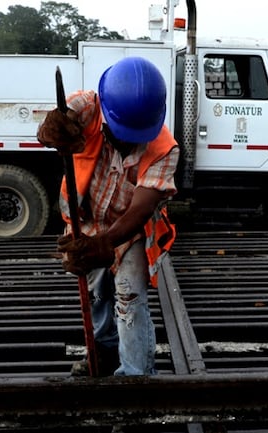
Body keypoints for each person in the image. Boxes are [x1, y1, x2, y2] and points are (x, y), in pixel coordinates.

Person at [36, 56, 179, 377]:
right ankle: (103, 354)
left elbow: (142, 208)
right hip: (86, 223)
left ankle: (135, 376)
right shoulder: (88, 107)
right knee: (97, 296)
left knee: (130, 298)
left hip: (131, 234)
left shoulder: (165, 148)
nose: (129, 142)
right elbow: (54, 123)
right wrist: (53, 130)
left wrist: (107, 242)